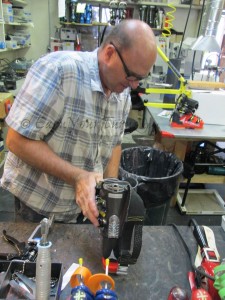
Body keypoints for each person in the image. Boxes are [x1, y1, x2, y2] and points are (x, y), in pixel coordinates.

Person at [1, 19, 157, 226]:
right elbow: (16, 140)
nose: (134, 85)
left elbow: (115, 142)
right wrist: (77, 177)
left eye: (140, 79)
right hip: (40, 207)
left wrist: (110, 191)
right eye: (131, 76)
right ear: (110, 53)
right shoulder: (58, 71)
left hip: (84, 208)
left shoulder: (122, 91)